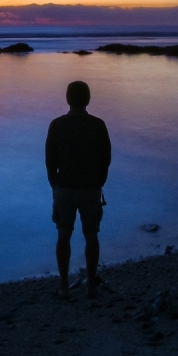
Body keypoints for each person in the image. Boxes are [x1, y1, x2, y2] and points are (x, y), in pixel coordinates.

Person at [45, 80, 112, 299]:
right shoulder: (98, 124)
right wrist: (100, 181)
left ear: (67, 99)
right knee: (91, 235)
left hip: (65, 187)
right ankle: (90, 286)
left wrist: (53, 182)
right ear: (88, 99)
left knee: (63, 235)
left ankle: (64, 287)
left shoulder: (57, 125)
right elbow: (106, 158)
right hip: (90, 188)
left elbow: (49, 159)